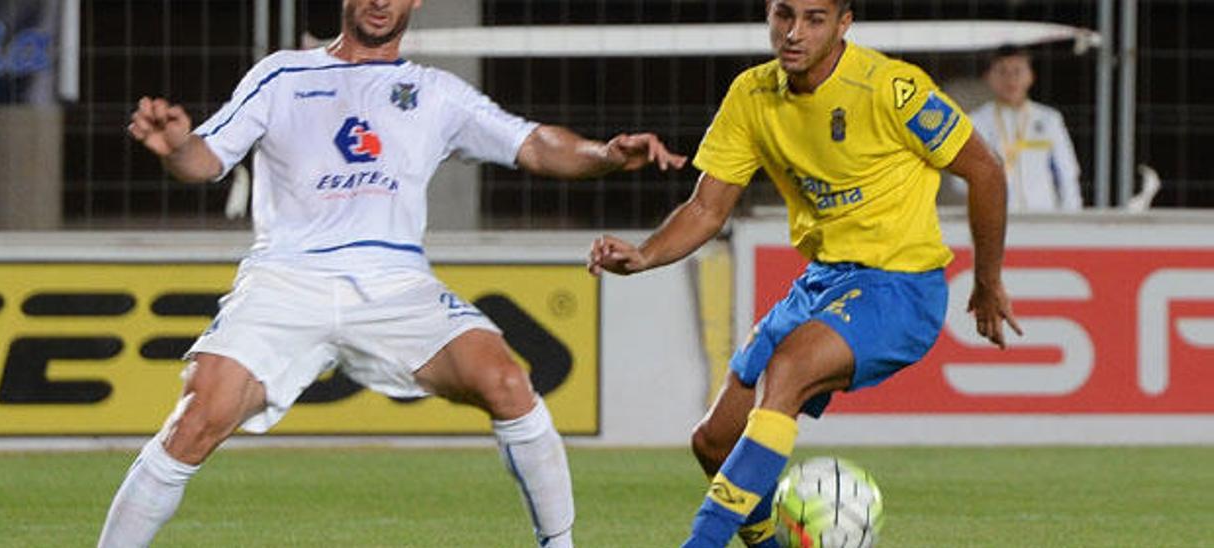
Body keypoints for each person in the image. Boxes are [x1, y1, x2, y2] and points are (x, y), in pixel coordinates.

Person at [99, 0, 687, 546]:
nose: (380, 0)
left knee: (508, 383)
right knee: (195, 419)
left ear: (416, 2)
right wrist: (175, 148)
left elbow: (533, 144)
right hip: (286, 279)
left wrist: (604, 156)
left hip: (397, 287)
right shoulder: (281, 76)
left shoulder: (435, 93)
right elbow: (204, 161)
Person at [587, 1, 1021, 546]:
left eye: (814, 19)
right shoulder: (752, 94)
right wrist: (646, 255)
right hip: (821, 282)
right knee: (714, 443)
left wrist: (987, 280)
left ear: (844, 23)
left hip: (900, 285)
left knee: (787, 369)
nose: (793, 33)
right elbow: (707, 208)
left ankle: (701, 541)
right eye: (782, 15)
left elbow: (984, 170)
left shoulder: (891, 88)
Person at [970, 44, 1082, 211]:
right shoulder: (976, 121)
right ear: (988, 77)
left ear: (1030, 75)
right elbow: (964, 177)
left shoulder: (1049, 119)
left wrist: (1072, 218)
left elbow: (1067, 173)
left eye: (1017, 71)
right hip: (997, 218)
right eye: (1002, 71)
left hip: (1043, 217)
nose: (1011, 79)